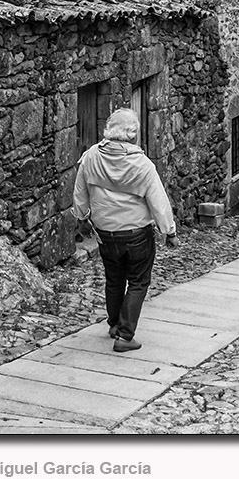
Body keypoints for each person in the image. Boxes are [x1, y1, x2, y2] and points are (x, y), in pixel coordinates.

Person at [72, 108, 178, 353]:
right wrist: (169, 232)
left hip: (105, 232)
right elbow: (159, 203)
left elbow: (80, 193)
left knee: (114, 279)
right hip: (136, 233)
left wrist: (82, 218)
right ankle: (125, 335)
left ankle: (114, 324)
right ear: (132, 135)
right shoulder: (143, 165)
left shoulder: (90, 157)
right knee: (139, 282)